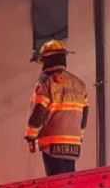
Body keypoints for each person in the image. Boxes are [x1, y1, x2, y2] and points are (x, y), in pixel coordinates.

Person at [24, 39, 90, 176]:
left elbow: (38, 113)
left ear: (46, 60)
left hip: (52, 145)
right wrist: (79, 137)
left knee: (56, 185)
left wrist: (31, 138)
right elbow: (84, 116)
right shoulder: (80, 84)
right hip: (73, 147)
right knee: (69, 184)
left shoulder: (46, 83)